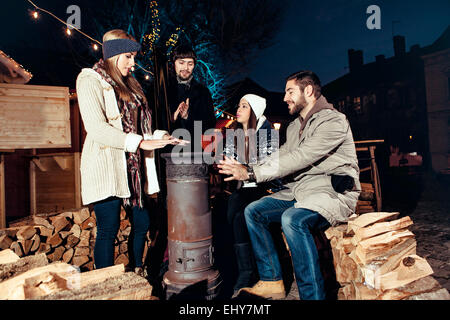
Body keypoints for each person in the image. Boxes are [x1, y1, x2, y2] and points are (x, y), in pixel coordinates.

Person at [218, 71, 360, 300]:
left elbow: (302, 156)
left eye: (290, 91)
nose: (284, 98)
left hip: (331, 193)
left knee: (292, 220)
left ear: (309, 91)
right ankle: (272, 280)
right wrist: (246, 168)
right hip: (300, 192)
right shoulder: (294, 127)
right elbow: (283, 154)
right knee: (253, 211)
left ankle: (312, 296)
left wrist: (252, 172)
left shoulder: (333, 120)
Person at [76, 29, 186, 274]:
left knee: (142, 222)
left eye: (134, 57)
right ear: (113, 56)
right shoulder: (89, 80)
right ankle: (105, 282)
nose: (133, 63)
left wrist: (159, 137)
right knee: (109, 226)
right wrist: (139, 143)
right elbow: (96, 129)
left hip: (133, 169)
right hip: (107, 164)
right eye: (128, 56)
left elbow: (139, 128)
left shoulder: (131, 84)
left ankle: (137, 271)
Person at [223, 94, 281, 295]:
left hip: (266, 186)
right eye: (238, 105)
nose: (238, 109)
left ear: (254, 111)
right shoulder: (234, 133)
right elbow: (229, 164)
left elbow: (271, 170)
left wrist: (243, 167)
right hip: (242, 187)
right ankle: (242, 268)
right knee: (229, 208)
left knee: (239, 215)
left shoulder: (268, 133)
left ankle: (247, 273)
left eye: (244, 106)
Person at [166, 44, 217, 147]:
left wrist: (187, 117)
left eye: (190, 64)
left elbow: (209, 126)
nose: (186, 67)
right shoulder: (163, 89)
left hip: (193, 152)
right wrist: (172, 118)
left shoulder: (203, 92)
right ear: (173, 63)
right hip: (166, 152)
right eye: (181, 63)